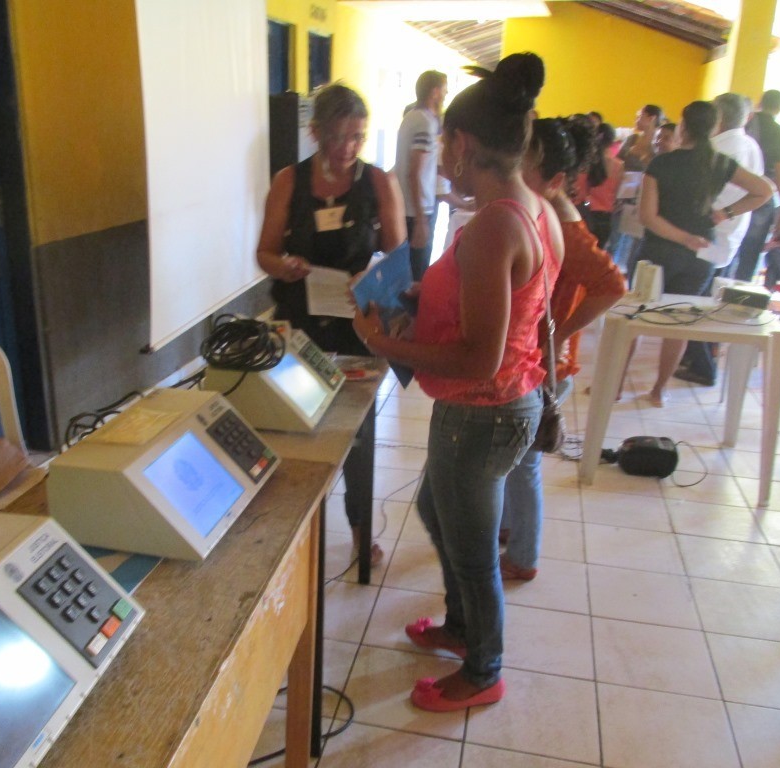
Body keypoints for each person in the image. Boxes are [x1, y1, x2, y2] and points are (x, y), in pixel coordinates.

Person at [352, 53, 563, 711]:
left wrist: (383, 342)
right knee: (433, 509)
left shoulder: (496, 224)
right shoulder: (537, 208)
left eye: (445, 141)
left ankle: (483, 669)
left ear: (463, 145)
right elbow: (519, 305)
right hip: (499, 404)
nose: (441, 154)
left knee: (473, 551)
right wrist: (431, 295)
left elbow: (478, 357)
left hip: (483, 410)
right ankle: (461, 625)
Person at [256, 83, 406, 566]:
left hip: (357, 325)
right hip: (300, 322)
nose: (347, 148)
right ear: (316, 132)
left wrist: (371, 274)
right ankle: (294, 531)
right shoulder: (289, 181)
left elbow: (398, 256)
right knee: (298, 423)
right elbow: (265, 253)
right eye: (338, 136)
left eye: (357, 136)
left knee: (357, 432)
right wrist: (284, 266)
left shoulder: (378, 182)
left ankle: (361, 531)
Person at [499, 116, 626, 581]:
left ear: (554, 178)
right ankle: (510, 530)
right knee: (516, 461)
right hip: (540, 360)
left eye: (524, 165)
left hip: (549, 366)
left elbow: (612, 286)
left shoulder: (567, 227)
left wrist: (556, 335)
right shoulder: (547, 210)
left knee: (524, 464)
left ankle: (523, 557)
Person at [630, 101, 771, 407]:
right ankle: (658, 391)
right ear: (714, 127)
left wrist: (682, 237)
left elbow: (648, 217)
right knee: (680, 323)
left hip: (657, 250)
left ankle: (615, 387)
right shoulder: (720, 163)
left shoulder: (661, 164)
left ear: (683, 126)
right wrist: (726, 212)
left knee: (635, 316)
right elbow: (764, 191)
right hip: (700, 254)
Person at [677, 92, 764, 386]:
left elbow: (702, 195)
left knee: (694, 303)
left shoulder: (718, 148)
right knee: (707, 299)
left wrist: (721, 213)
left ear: (720, 118)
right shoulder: (751, 145)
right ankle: (698, 357)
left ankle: (703, 365)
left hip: (709, 235)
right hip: (731, 234)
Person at [728, 89, 780, 282]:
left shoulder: (746, 122)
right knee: (749, 254)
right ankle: (739, 293)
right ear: (779, 108)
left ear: (760, 102)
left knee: (728, 244)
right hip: (762, 196)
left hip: (734, 188)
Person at [395, 70, 448, 280]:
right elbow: (415, 173)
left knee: (405, 273)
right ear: (434, 92)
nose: (446, 94)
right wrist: (420, 220)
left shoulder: (412, 117)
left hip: (408, 207)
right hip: (417, 209)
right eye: (444, 90)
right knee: (417, 275)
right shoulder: (425, 122)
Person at [609, 104, 665, 272]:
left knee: (633, 243)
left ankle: (627, 273)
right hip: (622, 193)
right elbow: (618, 164)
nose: (636, 120)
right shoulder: (631, 139)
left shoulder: (658, 146)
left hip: (642, 198)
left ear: (651, 118)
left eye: (640, 116)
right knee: (615, 237)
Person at [583, 122, 623, 248]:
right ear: (612, 142)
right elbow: (618, 194)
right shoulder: (618, 165)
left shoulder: (589, 162)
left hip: (587, 213)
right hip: (606, 216)